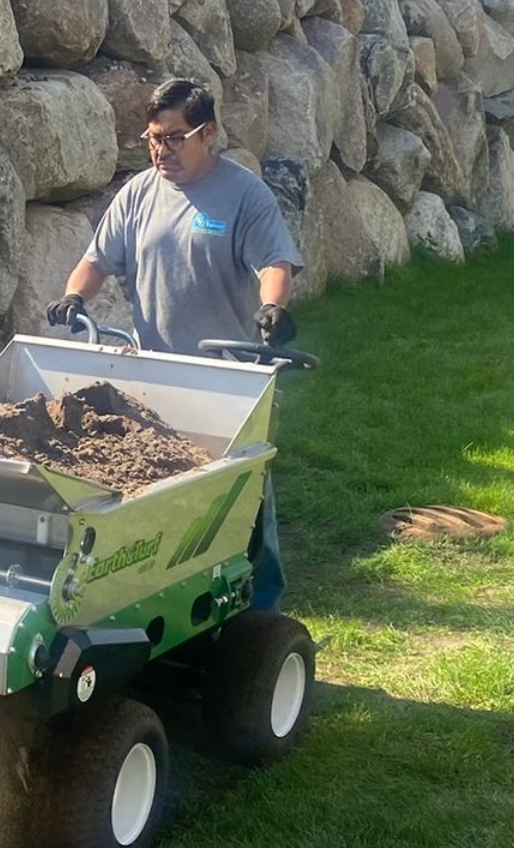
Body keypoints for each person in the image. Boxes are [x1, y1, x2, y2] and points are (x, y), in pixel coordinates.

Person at [45, 78, 302, 611]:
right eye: (153, 138)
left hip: (228, 377)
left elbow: (274, 263)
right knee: (164, 498)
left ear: (207, 134)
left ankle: (262, 616)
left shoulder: (244, 194)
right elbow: (97, 259)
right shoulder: (139, 192)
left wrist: (274, 308)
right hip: (155, 374)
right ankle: (177, 599)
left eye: (174, 138)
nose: (161, 151)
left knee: (242, 496)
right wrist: (73, 296)